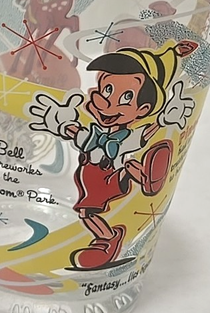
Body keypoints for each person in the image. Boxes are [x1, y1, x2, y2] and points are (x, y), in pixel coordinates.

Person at [28, 40, 197, 270]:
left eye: (126, 97)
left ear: (143, 110)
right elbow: (79, 134)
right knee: (118, 178)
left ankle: (109, 238)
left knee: (87, 213)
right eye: (107, 90)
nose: (107, 101)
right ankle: (141, 174)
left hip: (103, 178)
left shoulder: (123, 138)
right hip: (94, 178)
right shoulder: (97, 134)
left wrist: (162, 121)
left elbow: (142, 135)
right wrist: (60, 123)